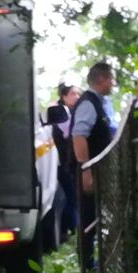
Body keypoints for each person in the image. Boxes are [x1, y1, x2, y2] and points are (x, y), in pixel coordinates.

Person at [71, 62, 117, 267]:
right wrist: (85, 170)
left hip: (98, 170)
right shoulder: (88, 103)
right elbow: (79, 136)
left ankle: (92, 263)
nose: (113, 84)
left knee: (94, 216)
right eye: (112, 79)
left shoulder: (99, 103)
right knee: (88, 217)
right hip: (88, 172)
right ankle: (87, 267)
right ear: (102, 79)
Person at [43, 83, 81, 241]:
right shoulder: (60, 114)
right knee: (71, 197)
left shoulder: (73, 112)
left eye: (78, 94)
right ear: (64, 97)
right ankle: (69, 229)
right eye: (73, 94)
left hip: (66, 163)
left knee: (71, 197)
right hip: (59, 164)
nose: (77, 97)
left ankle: (71, 229)